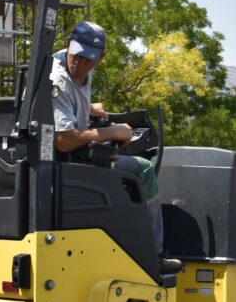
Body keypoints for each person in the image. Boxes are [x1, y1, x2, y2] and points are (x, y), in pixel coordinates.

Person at [50, 21, 179, 273]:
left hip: (71, 153)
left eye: (88, 59)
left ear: (101, 58)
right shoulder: (58, 79)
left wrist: (89, 107)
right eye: (76, 54)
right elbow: (64, 141)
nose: (80, 62)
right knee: (142, 170)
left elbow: (63, 106)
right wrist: (110, 132)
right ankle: (154, 255)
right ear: (67, 44)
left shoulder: (76, 69)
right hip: (63, 160)